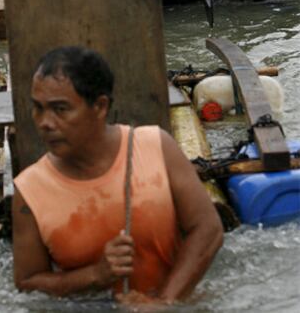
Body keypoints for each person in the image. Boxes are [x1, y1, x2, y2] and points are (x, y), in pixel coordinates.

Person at [13, 46, 223, 302]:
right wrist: (95, 275)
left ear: (100, 106)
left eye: (60, 109)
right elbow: (27, 282)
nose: (45, 122)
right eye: (38, 108)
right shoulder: (30, 190)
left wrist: (165, 302)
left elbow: (208, 229)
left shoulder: (156, 146)